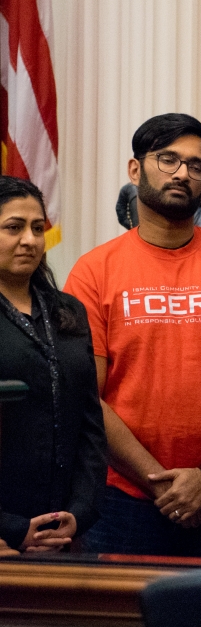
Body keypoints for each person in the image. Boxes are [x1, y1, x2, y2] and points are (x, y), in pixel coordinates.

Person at [65, 114, 201, 556]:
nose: (183, 173)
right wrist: (164, 485)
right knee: (117, 626)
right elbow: (87, 396)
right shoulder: (93, 272)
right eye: (168, 160)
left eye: (197, 166)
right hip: (126, 501)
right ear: (135, 169)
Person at [0, 177, 106, 553]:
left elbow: (91, 424)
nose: (29, 239)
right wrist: (12, 529)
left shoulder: (68, 310)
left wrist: (80, 513)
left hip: (69, 533)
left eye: (38, 228)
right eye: (14, 227)